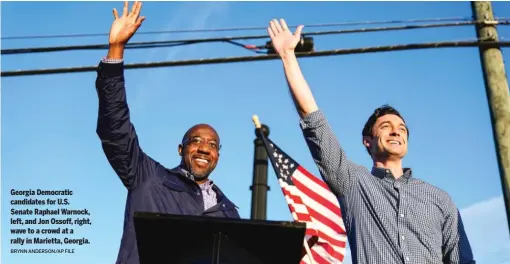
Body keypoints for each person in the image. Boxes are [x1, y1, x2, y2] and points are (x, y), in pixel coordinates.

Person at [266, 18, 475, 264]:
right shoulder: (353, 182)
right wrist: (288, 58)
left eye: (402, 129)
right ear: (368, 141)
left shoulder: (440, 199)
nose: (396, 132)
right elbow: (313, 120)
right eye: (386, 127)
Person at [95, 2, 240, 263]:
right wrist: (116, 50)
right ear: (180, 149)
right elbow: (115, 127)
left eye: (212, 144)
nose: (204, 148)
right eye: (195, 141)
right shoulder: (148, 178)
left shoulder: (229, 212)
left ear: (218, 155)